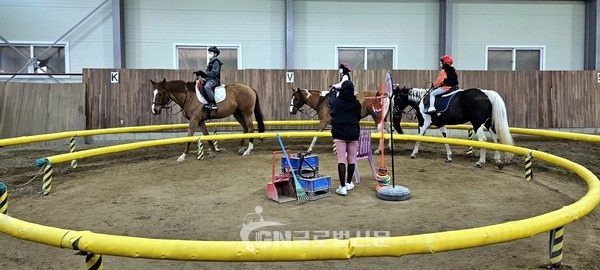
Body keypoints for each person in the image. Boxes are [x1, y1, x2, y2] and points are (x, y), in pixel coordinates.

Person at [329, 80, 362, 196]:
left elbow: (332, 114)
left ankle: (342, 187)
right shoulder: (357, 103)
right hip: (353, 133)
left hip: (339, 133)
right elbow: (359, 116)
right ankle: (348, 183)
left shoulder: (337, 102)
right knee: (352, 160)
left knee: (341, 160)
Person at [193, 46, 222, 110]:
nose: (210, 54)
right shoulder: (211, 62)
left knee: (207, 87)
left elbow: (214, 72)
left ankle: (213, 103)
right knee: (201, 86)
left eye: (211, 53)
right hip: (210, 79)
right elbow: (207, 74)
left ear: (215, 54)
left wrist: (205, 74)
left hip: (215, 80)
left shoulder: (216, 62)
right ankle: (207, 101)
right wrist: (201, 73)